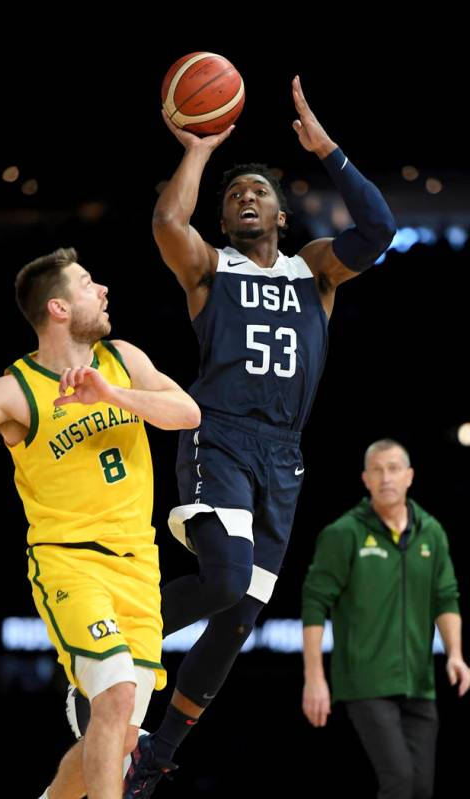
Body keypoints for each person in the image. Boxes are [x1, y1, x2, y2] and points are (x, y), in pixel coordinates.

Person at [113, 73, 397, 796]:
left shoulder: (316, 271)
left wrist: (327, 148)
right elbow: (167, 225)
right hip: (224, 437)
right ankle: (111, 645)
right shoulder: (210, 268)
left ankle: (157, 750)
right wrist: (200, 151)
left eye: (258, 192)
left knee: (235, 619)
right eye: (234, 194)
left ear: (279, 213)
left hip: (285, 456)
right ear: (226, 215)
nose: (245, 197)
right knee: (224, 578)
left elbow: (379, 231)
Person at [0, 247, 200, 799]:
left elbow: (187, 414)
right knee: (117, 693)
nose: (103, 290)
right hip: (70, 562)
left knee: (119, 736)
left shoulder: (123, 358)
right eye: (87, 283)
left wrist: (112, 393)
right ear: (57, 307)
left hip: (139, 567)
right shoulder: (15, 391)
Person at [302, 439, 470, 799]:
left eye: (394, 468)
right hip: (365, 681)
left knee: (421, 788)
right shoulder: (343, 533)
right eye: (377, 470)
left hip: (420, 680)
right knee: (400, 781)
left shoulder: (432, 532)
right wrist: (314, 678)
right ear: (365, 479)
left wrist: (455, 654)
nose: (385, 477)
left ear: (410, 476)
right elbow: (314, 604)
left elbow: (447, 597)